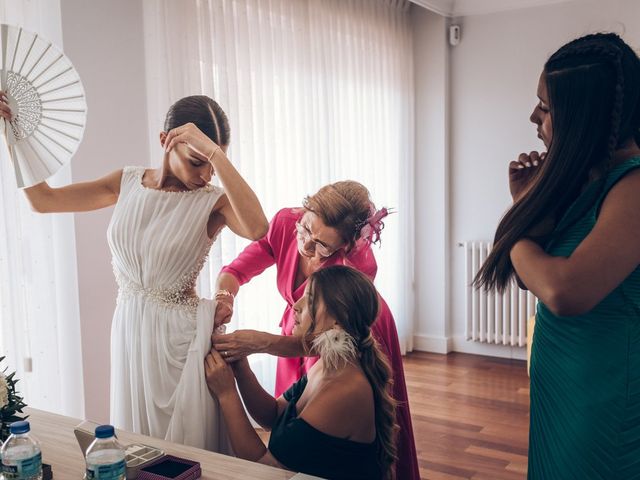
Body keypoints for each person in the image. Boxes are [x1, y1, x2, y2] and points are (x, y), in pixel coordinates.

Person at [0, 95, 269, 451]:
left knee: (186, 453)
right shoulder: (126, 182)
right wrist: (12, 133)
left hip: (182, 343)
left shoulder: (213, 201)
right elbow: (44, 200)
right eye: (197, 162)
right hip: (130, 331)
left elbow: (257, 228)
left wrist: (215, 154)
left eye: (212, 166)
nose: (205, 175)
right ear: (165, 141)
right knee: (136, 451)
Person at [475, 33, 640, 479]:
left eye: (546, 107)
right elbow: (537, 279)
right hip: (564, 384)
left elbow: (564, 290)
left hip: (602, 389)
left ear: (584, 114)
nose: (533, 116)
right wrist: (528, 208)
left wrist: (518, 221)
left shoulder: (633, 186)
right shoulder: (589, 179)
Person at [211, 180, 419, 480]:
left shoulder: (353, 271)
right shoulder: (286, 223)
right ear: (304, 210)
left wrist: (256, 348)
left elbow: (267, 468)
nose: (306, 247)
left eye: (322, 245)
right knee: (293, 420)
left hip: (330, 335)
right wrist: (224, 297)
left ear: (346, 246)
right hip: (310, 324)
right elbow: (235, 270)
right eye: (306, 228)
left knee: (329, 423)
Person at [205, 265, 397, 480]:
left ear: (338, 318)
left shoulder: (345, 390)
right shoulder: (328, 365)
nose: (296, 305)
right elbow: (273, 416)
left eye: (310, 298)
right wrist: (241, 367)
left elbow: (266, 468)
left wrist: (227, 394)